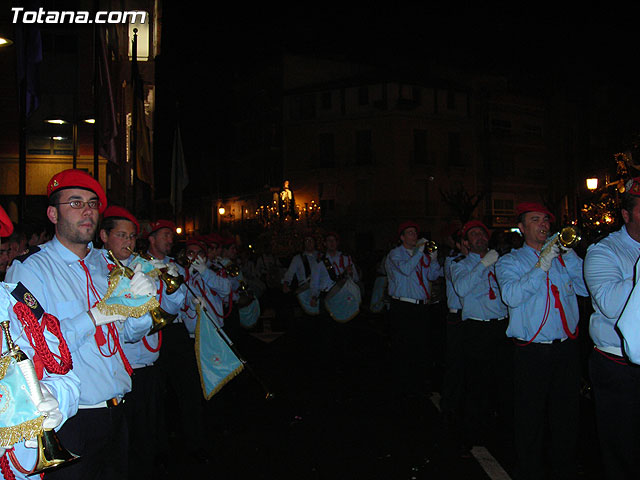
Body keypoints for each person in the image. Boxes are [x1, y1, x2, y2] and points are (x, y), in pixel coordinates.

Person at [5, 169, 155, 480]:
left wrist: (140, 309)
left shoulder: (108, 264)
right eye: (75, 203)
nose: (87, 211)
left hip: (118, 409)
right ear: (52, 213)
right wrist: (94, 317)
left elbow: (127, 335)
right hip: (73, 418)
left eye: (92, 203)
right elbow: (36, 350)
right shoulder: (31, 269)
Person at [495, 202, 588, 480]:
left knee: (566, 415)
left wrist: (567, 256)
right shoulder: (509, 261)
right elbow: (511, 296)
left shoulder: (562, 258)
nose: (544, 225)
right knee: (530, 417)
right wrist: (542, 264)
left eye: (546, 220)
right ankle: (530, 470)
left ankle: (564, 467)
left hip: (565, 349)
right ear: (522, 228)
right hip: (532, 353)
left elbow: (586, 288)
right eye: (535, 220)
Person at [98, 206, 181, 480]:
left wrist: (172, 284)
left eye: (132, 236)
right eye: (121, 235)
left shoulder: (141, 266)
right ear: (104, 236)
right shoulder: (98, 271)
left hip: (148, 367)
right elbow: (128, 333)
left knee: (148, 434)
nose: (129, 242)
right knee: (123, 445)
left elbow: (169, 310)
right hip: (120, 370)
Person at [583, 177, 640, 480]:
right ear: (627, 215)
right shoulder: (604, 251)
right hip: (618, 365)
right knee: (623, 450)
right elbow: (610, 304)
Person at [450, 220, 509, 449]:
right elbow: (462, 288)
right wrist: (484, 263)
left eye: (482, 234)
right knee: (476, 384)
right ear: (465, 242)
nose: (480, 237)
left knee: (502, 382)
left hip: (501, 326)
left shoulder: (500, 261)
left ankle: (501, 432)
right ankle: (473, 434)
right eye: (473, 234)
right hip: (476, 329)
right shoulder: (460, 264)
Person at [384, 221, 443, 396]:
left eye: (415, 233)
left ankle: (419, 383)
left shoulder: (420, 255)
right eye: (409, 233)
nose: (414, 236)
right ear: (402, 237)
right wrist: (419, 253)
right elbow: (406, 270)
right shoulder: (395, 254)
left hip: (421, 307)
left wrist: (433, 259)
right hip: (403, 306)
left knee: (421, 346)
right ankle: (403, 384)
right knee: (403, 347)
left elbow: (433, 275)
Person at [439, 228, 467, 444]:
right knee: (455, 362)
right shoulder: (454, 260)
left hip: (473, 317)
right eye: (465, 241)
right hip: (457, 316)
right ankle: (449, 404)